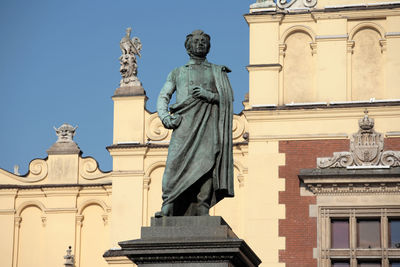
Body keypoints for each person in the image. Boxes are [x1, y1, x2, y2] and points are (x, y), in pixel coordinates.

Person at [156, 30, 234, 216]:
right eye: (196, 41)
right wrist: (165, 116)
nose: (200, 44)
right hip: (183, 124)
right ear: (188, 46)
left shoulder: (217, 71)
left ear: (209, 46)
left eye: (204, 41)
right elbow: (163, 96)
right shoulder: (178, 72)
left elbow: (228, 98)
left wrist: (208, 95)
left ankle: (202, 205)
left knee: (207, 164)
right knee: (174, 164)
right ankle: (168, 204)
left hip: (208, 125)